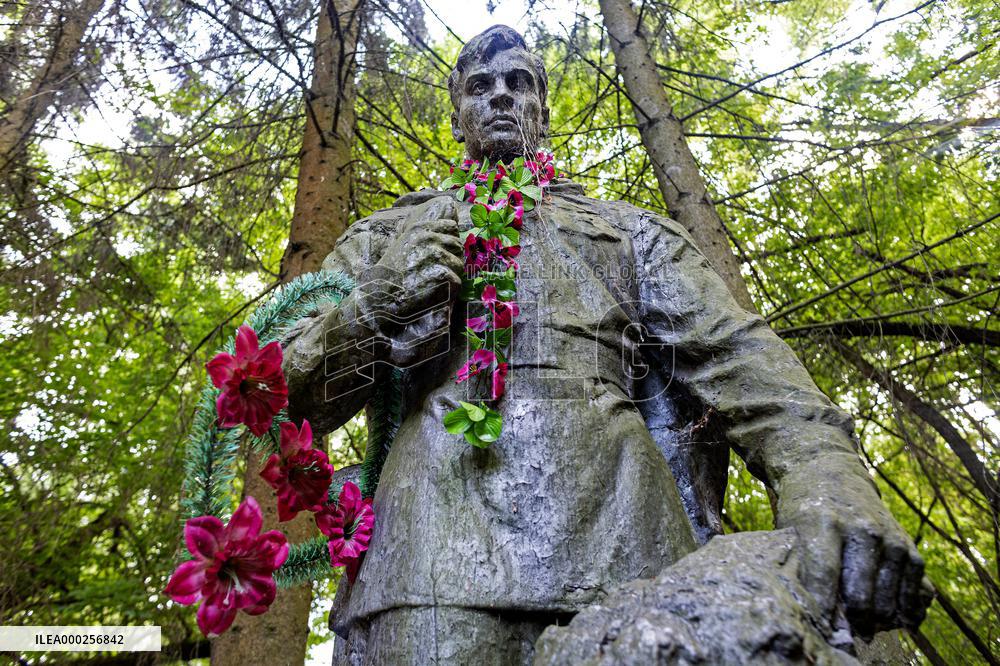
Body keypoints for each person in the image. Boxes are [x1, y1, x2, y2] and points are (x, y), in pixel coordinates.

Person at [280, 25, 928, 665]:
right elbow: (282, 394)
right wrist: (372, 307)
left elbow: (738, 355)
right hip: (428, 560)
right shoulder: (385, 236)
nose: (501, 96)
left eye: (519, 83)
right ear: (456, 118)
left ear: (543, 111)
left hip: (630, 546)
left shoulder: (630, 232)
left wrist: (826, 475)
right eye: (481, 86)